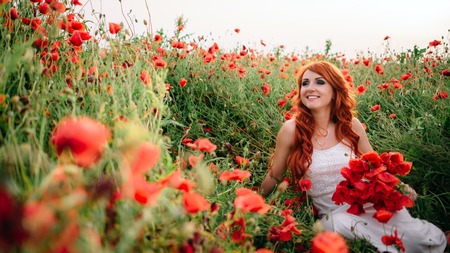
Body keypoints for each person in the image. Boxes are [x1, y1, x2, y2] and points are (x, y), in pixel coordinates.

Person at [261, 61, 447, 252]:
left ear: (334, 90)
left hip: (368, 201)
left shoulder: (351, 125)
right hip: (333, 216)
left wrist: (400, 186)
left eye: (319, 82)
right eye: (305, 83)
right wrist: (255, 202)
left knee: (419, 237)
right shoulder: (292, 130)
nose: (310, 88)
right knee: (340, 224)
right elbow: (275, 176)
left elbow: (376, 167)